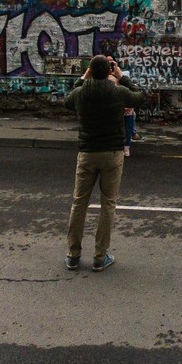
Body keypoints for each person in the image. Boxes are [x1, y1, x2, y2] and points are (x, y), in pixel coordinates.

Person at [62, 55, 145, 271]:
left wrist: (83, 77)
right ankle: (100, 256)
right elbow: (139, 98)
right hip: (112, 153)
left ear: (90, 70)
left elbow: (67, 100)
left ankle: (73, 254)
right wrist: (121, 77)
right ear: (109, 71)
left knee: (79, 202)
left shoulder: (82, 93)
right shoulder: (118, 92)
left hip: (88, 152)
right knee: (108, 203)